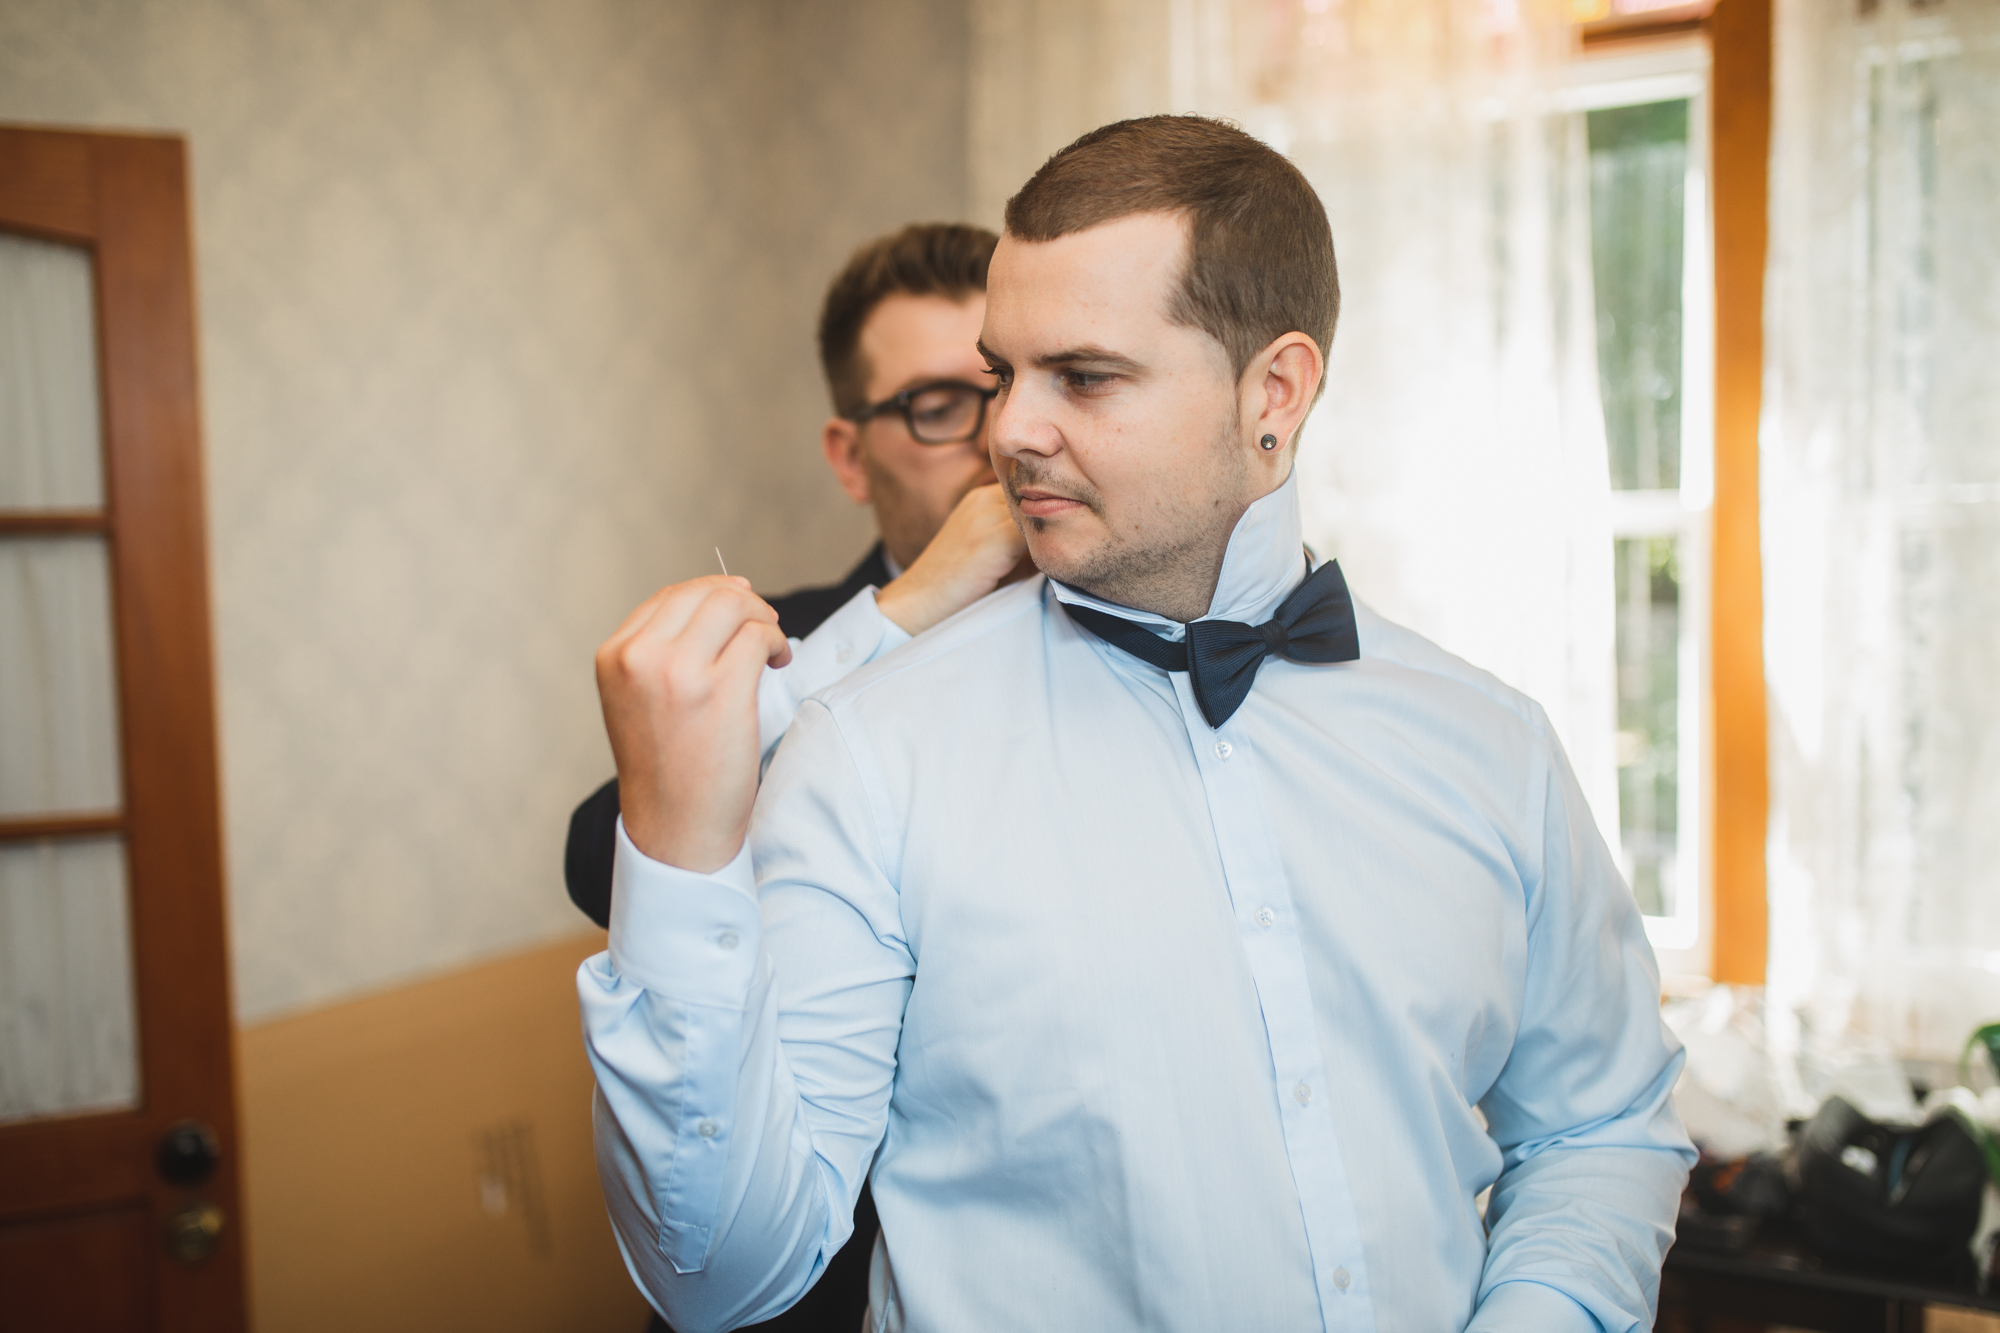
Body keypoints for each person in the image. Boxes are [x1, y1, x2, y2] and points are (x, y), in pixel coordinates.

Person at [581, 116, 1696, 1333]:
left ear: (1273, 391)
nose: (1007, 431)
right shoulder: (870, 757)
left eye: (1086, 376)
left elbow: (1598, 1123)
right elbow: (721, 1274)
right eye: (1005, 373)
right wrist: (679, 862)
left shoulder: (1492, 746)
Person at [566, 222, 1024, 1333]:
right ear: (847, 451)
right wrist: (915, 606)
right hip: (800, 1285)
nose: (995, 437)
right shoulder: (796, 640)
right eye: (934, 403)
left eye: (1003, 384)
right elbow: (598, 848)